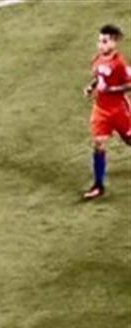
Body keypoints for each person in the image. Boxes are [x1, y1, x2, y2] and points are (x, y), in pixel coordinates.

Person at [83, 24, 131, 200]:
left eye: (104, 41)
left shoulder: (120, 63)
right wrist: (91, 87)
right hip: (101, 109)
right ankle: (98, 186)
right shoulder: (97, 59)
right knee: (98, 143)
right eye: (99, 41)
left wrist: (110, 89)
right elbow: (99, 77)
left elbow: (129, 85)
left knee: (129, 140)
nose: (100, 45)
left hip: (119, 110)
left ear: (114, 42)